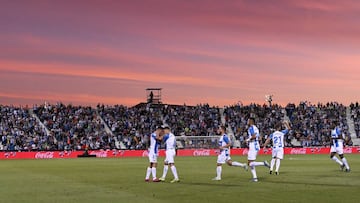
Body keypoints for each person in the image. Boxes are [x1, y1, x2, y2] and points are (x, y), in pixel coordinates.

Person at [246, 117, 270, 182]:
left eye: (248, 120)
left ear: (251, 121)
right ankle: (255, 178)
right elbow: (259, 137)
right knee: (250, 162)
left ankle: (263, 163)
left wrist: (247, 140)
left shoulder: (251, 128)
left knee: (250, 163)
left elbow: (253, 136)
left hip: (253, 145)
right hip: (256, 146)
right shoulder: (256, 128)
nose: (247, 122)